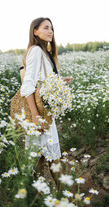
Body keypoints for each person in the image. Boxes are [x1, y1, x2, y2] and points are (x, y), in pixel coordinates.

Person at [20, 17, 73, 183]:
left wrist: (58, 81)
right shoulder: (36, 50)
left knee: (41, 158)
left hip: (45, 112)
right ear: (35, 31)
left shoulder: (44, 53)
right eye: (46, 27)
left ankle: (34, 194)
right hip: (40, 113)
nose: (51, 31)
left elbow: (41, 80)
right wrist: (35, 115)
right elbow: (27, 85)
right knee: (49, 158)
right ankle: (59, 195)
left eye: (52, 28)